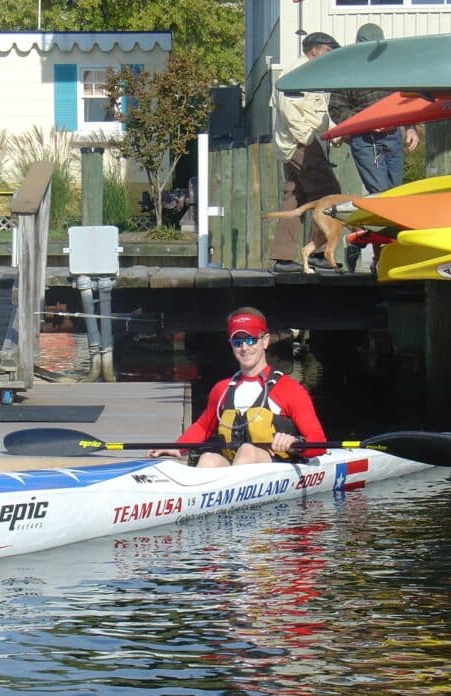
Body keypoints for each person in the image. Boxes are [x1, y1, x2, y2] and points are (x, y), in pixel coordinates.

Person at [147, 307, 327, 467]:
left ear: (265, 341)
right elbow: (203, 426)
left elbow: (318, 440)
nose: (244, 348)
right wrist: (178, 448)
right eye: (237, 342)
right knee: (208, 458)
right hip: (236, 467)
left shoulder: (289, 389)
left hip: (276, 465)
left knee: (247, 450)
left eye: (250, 340)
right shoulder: (222, 389)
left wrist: (295, 442)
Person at [329, 23, 420, 271]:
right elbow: (336, 110)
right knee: (381, 197)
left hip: (391, 137)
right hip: (365, 140)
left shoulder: (391, 69)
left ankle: (369, 246)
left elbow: (404, 100)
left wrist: (411, 127)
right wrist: (367, 123)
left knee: (396, 196)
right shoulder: (347, 73)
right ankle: (378, 256)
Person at [268, 31, 343, 274]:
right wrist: (308, 141)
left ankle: (283, 258)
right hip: (300, 144)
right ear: (314, 50)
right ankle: (320, 252)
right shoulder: (296, 73)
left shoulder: (314, 75)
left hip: (298, 144)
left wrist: (335, 132)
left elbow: (318, 114)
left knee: (295, 197)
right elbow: (290, 111)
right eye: (328, 51)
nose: (331, 56)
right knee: (329, 195)